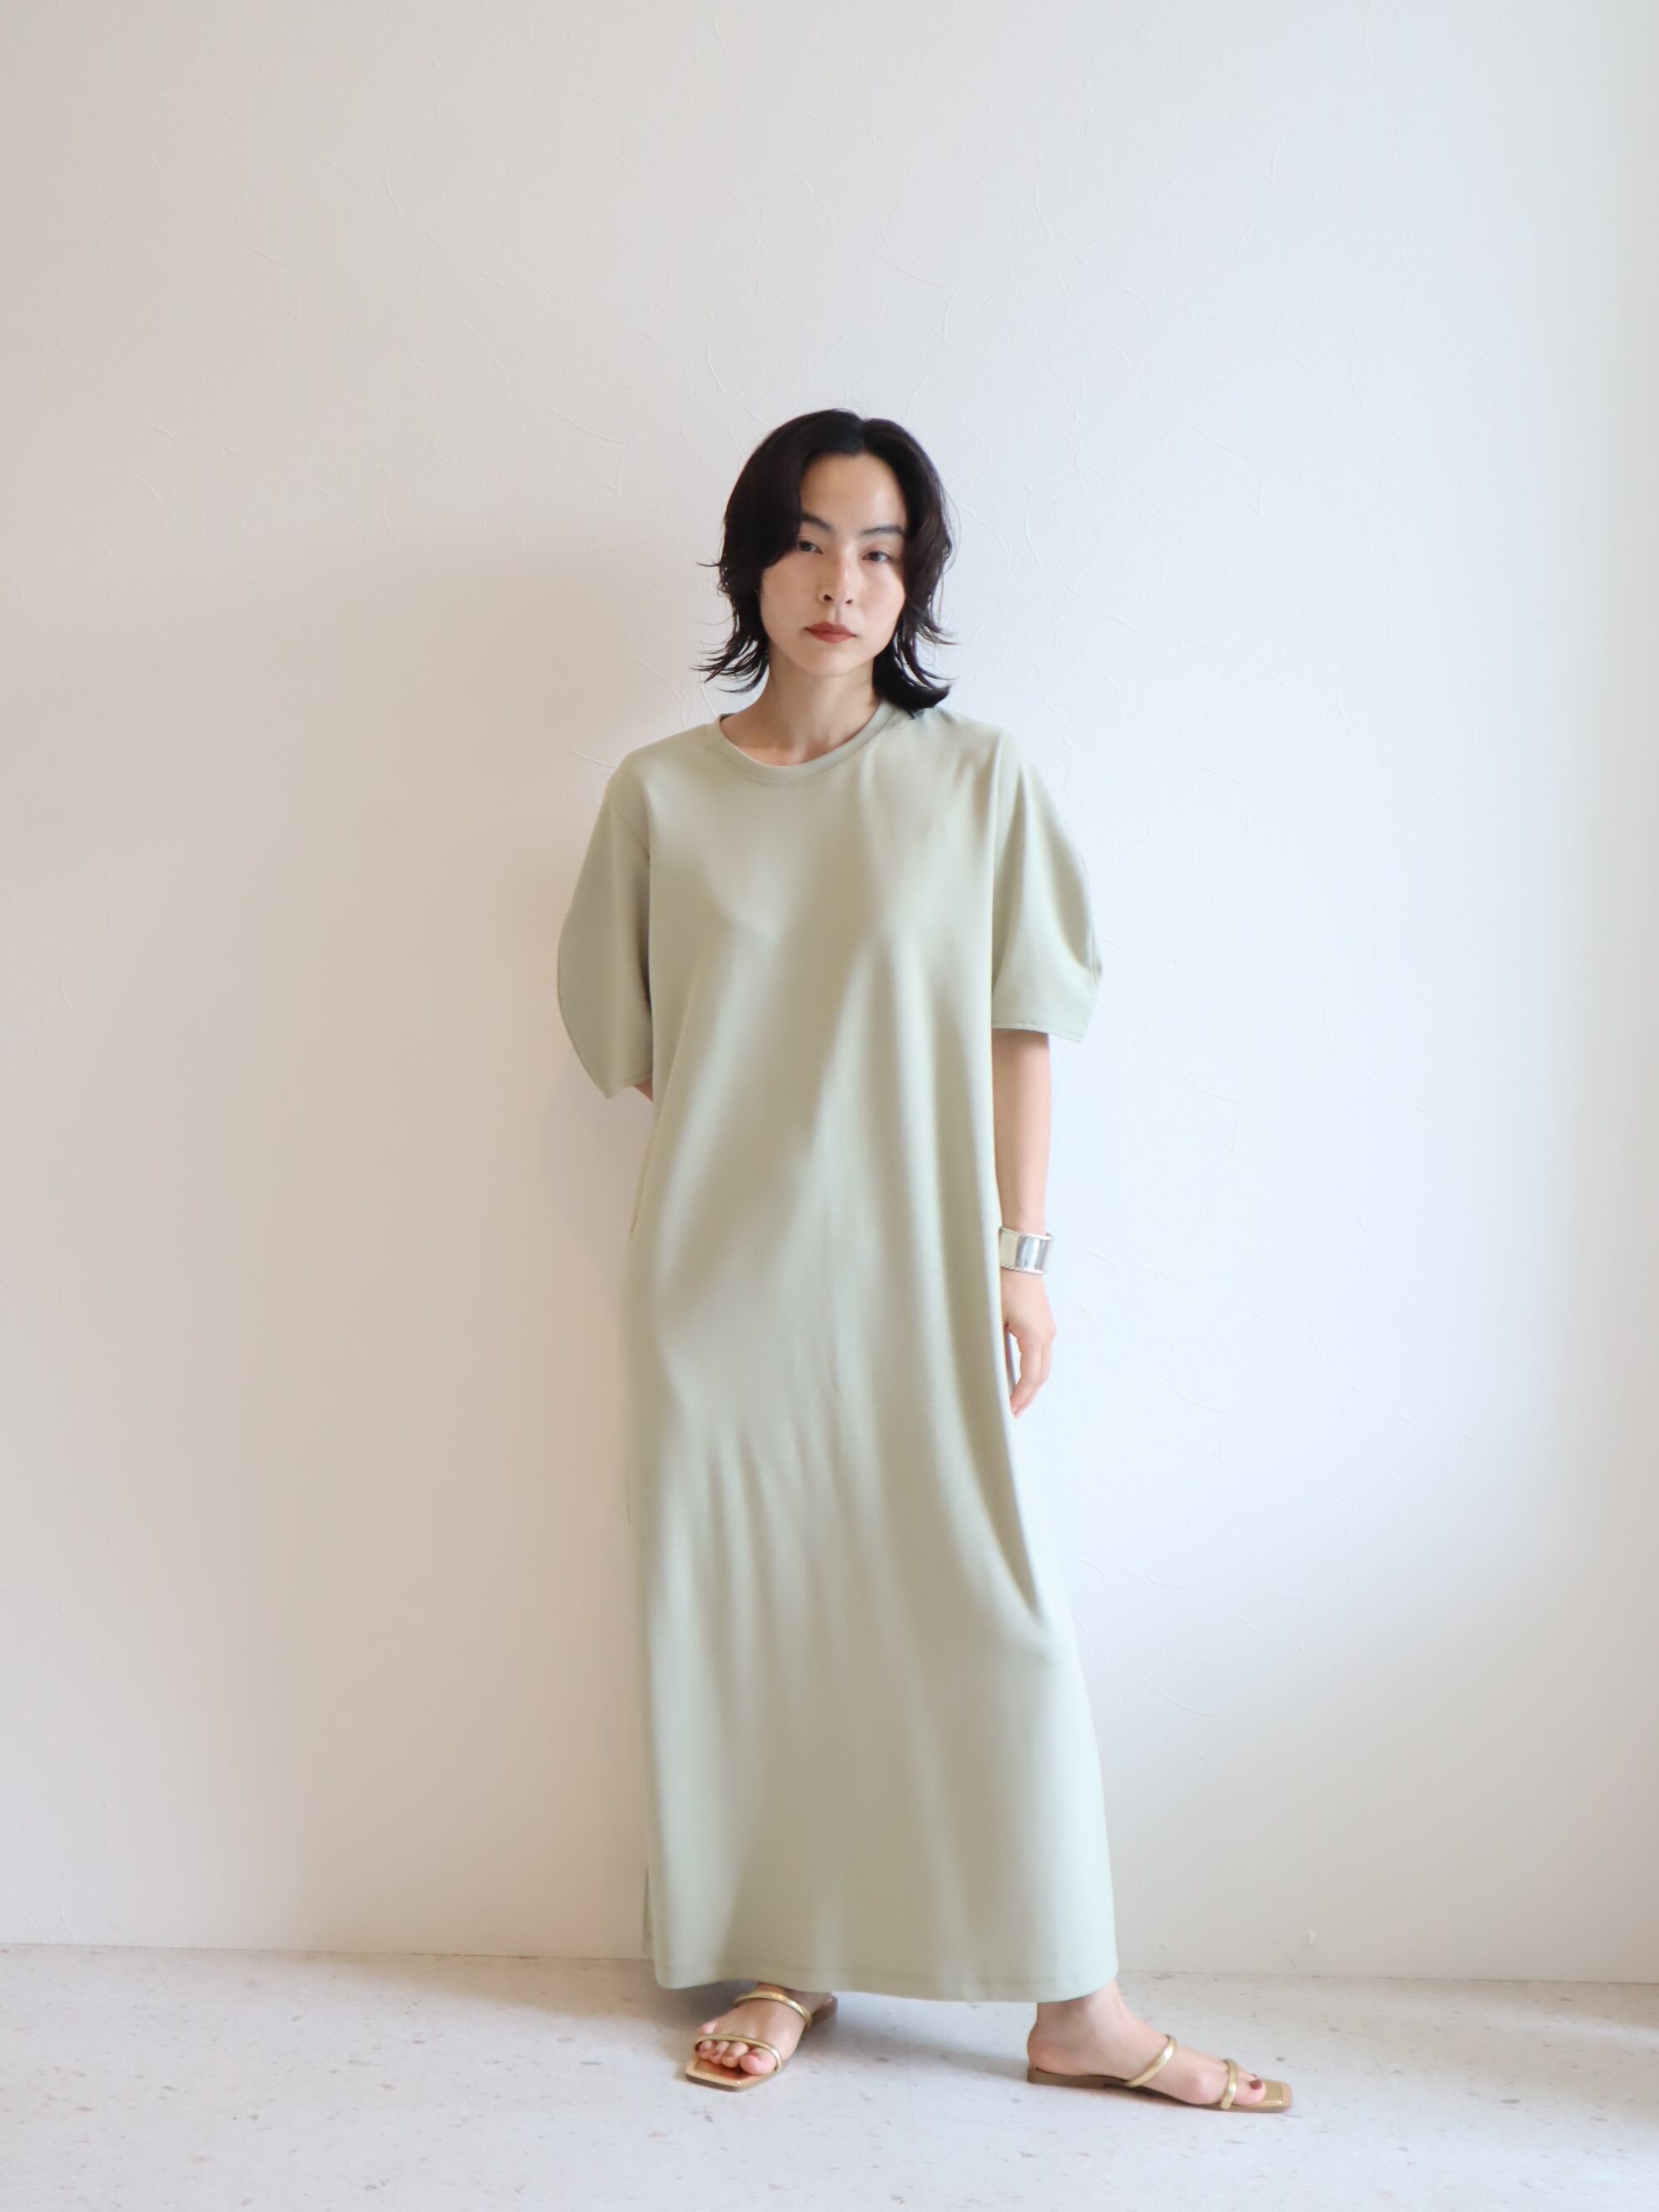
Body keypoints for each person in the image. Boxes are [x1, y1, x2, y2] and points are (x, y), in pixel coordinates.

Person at [555, 409, 1290, 2115]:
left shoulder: (978, 782)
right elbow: (645, 1041)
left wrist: (1018, 1256)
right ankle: (788, 1956)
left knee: (992, 1623)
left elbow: (1023, 1027)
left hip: (922, 1282)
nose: (845, 581)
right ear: (755, 561)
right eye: (812, 540)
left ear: (915, 584)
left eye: (883, 551)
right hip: (718, 1293)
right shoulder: (660, 795)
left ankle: (1079, 2004)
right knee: (754, 1621)